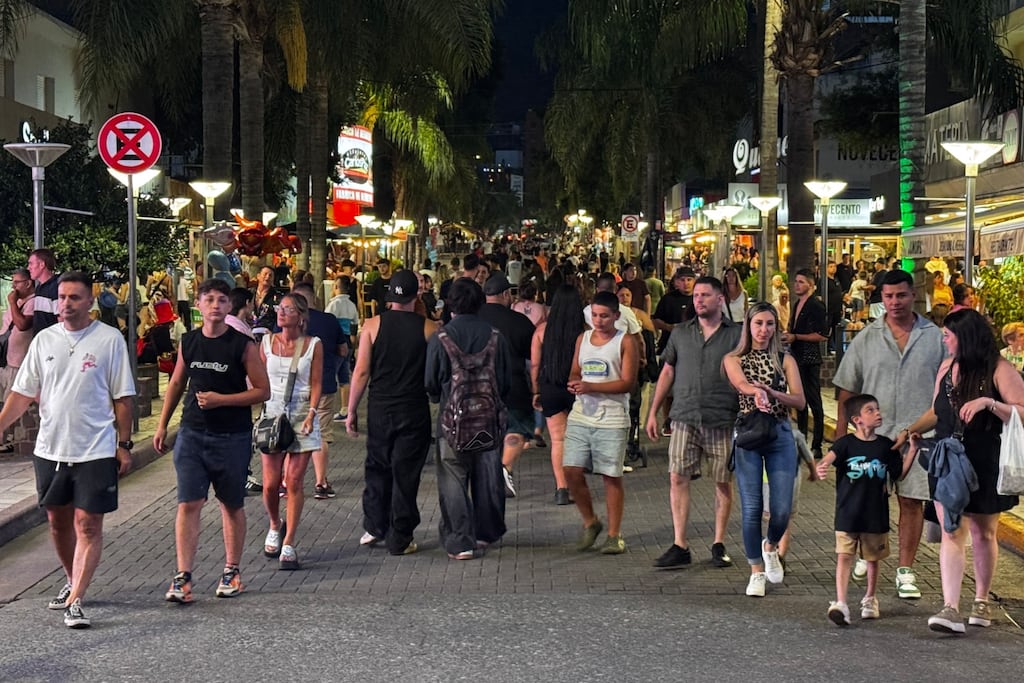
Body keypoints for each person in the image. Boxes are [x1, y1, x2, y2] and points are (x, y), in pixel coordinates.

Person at [0, 271, 135, 628]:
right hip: (50, 449)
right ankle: (71, 577)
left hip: (96, 449)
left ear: (90, 302)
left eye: (75, 297)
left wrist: (123, 444)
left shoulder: (109, 340)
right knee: (58, 523)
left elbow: (123, 397)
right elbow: (22, 392)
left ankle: (77, 600)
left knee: (87, 524)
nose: (66, 304)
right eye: (62, 297)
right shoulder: (45, 340)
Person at [899, 309, 1023, 634]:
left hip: (986, 460)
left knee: (984, 532)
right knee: (952, 531)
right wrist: (912, 429)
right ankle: (950, 607)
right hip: (947, 460)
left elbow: (1022, 411)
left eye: (948, 335)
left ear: (964, 337)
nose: (944, 339)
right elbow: (936, 410)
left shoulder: (999, 369)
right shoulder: (946, 368)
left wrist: (989, 403)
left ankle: (981, 600)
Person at [154, 278, 270, 604]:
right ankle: (183, 577)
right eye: (209, 300)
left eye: (221, 300)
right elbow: (177, 383)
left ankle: (232, 570)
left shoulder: (242, 345)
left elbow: (263, 390)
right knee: (188, 502)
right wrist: (163, 425)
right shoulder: (189, 342)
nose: (215, 305)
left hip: (231, 435)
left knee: (231, 503)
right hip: (192, 432)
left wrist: (222, 399)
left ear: (229, 306)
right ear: (199, 304)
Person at [834, 268, 945, 601]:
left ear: (914, 295)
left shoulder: (935, 338)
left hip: (918, 436)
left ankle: (905, 570)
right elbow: (847, 389)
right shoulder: (868, 337)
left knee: (911, 502)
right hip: (872, 436)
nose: (895, 302)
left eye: (901, 295)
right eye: (888, 296)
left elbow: (946, 390)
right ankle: (869, 553)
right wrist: (842, 435)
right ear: (880, 298)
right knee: (870, 498)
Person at [645, 276, 741, 568]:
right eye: (696, 295)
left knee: (722, 481)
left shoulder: (736, 334)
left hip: (722, 417)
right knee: (677, 477)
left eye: (706, 295)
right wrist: (653, 411)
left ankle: (718, 542)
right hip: (685, 417)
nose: (699, 300)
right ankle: (680, 543)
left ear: (720, 299)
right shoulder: (681, 333)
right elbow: (667, 372)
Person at [347, 269, 436, 555]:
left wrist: (350, 410)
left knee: (377, 467)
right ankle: (400, 536)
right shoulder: (429, 328)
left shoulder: (372, 325)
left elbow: (361, 372)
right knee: (406, 473)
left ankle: (374, 526)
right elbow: (435, 373)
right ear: (416, 295)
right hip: (413, 407)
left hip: (380, 407)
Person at [722, 302, 805, 597]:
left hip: (781, 431)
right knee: (752, 508)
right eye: (758, 323)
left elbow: (799, 400)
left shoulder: (785, 358)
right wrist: (756, 391)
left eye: (769, 324)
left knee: (781, 509)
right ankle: (756, 570)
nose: (764, 330)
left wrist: (773, 393)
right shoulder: (734, 357)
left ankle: (770, 546)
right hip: (749, 432)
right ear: (748, 325)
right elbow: (741, 384)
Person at [426, 277, 512, 559]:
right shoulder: (497, 336)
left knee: (452, 477)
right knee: (488, 475)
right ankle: (486, 533)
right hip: (489, 421)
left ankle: (460, 539)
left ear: (450, 304)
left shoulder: (440, 339)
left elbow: (431, 383)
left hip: (452, 422)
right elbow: (506, 382)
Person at [816, 394, 916, 625]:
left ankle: (870, 598)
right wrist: (821, 468)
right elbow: (828, 459)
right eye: (870, 410)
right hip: (847, 513)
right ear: (857, 419)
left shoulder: (885, 446)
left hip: (875, 513)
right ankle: (841, 602)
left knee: (872, 559)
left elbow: (898, 475)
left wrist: (912, 451)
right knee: (844, 556)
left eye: (877, 409)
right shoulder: (846, 444)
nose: (877, 413)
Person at [564, 290, 639, 554]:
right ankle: (590, 521)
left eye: (605, 316)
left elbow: (628, 382)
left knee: (610, 475)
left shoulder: (626, 341)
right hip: (581, 414)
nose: (599, 320)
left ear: (616, 316)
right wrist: (575, 382)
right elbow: (576, 368)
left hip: (613, 418)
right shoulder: (582, 338)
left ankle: (614, 534)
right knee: (570, 470)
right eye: (595, 315)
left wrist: (591, 387)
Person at [258, 293, 323, 570]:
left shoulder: (312, 345)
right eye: (280, 308)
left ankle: (290, 542)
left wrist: (311, 413)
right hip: (273, 415)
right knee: (271, 483)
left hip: (301, 415)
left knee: (294, 481)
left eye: (288, 309)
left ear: (301, 316)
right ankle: (275, 523)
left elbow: (317, 382)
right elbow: (258, 378)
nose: (282, 313)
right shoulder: (266, 343)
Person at [479, 272, 535, 498]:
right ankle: (504, 467)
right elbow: (533, 357)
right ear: (504, 294)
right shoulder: (520, 321)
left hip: (478, 387)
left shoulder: (472, 318)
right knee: (518, 428)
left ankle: (487, 472)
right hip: (514, 385)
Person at [531, 284, 586, 505]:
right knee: (579, 439)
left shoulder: (542, 330)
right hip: (578, 388)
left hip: (550, 387)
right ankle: (576, 483)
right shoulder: (585, 331)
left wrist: (535, 390)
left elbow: (535, 364)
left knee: (558, 440)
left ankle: (561, 488)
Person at [292, 282, 344, 500]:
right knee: (320, 433)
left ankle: (289, 481)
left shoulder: (288, 322)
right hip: (323, 385)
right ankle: (321, 482)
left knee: (294, 433)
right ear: (313, 298)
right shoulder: (329, 321)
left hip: (294, 388)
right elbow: (343, 349)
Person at [782, 269, 829, 459]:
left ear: (810, 284)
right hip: (796, 356)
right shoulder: (796, 304)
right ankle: (800, 439)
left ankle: (817, 443)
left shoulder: (816, 305)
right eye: (796, 281)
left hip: (809, 358)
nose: (797, 285)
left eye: (801, 282)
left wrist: (796, 337)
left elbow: (823, 335)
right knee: (798, 400)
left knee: (813, 400)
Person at [0, 268, 34, 452]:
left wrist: (13, 303)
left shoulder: (32, 302)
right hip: (4, 359)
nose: (13, 286)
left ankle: (7, 439)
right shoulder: (18, 301)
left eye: (17, 282)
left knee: (9, 400)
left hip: (18, 361)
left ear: (28, 283)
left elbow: (22, 325)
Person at [28, 248, 59, 331]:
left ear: (42, 265)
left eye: (31, 264)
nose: (28, 268)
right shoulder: (39, 288)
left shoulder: (56, 287)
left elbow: (62, 321)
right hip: (40, 341)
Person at [252, 265, 284, 334]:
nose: (267, 277)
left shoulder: (278, 297)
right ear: (258, 276)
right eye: (265, 274)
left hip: (268, 333)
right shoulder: (249, 293)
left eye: (270, 275)